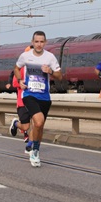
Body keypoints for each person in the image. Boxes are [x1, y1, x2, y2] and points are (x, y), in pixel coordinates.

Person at [14, 31, 62, 167]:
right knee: (39, 121)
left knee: (39, 127)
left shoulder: (50, 57)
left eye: (41, 42)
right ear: (32, 42)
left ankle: (36, 148)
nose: (39, 44)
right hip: (29, 94)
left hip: (44, 97)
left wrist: (50, 71)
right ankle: (34, 152)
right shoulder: (25, 56)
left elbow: (60, 76)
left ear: (45, 42)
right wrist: (20, 80)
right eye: (36, 42)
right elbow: (16, 68)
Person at [9, 46, 33, 149]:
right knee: (26, 126)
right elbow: (14, 83)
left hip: (35, 101)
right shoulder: (21, 69)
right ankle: (16, 124)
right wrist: (21, 83)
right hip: (23, 102)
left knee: (36, 123)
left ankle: (30, 146)